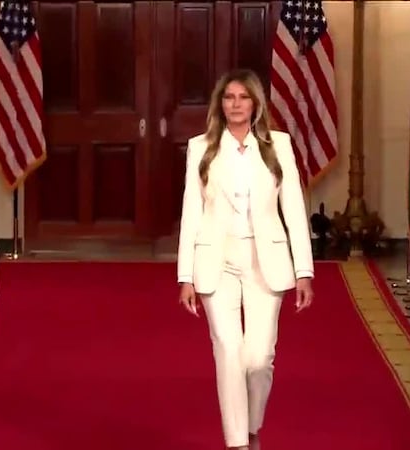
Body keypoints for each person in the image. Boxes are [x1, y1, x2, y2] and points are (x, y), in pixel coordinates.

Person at [176, 69, 314, 450]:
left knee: (258, 357)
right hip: (216, 261)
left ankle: (252, 427)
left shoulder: (278, 145)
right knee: (228, 350)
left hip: (265, 260)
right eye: (228, 97)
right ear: (220, 104)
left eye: (243, 97)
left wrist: (304, 271)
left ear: (255, 104)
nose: (235, 104)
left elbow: (294, 210)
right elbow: (191, 212)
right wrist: (185, 276)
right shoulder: (201, 147)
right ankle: (237, 443)